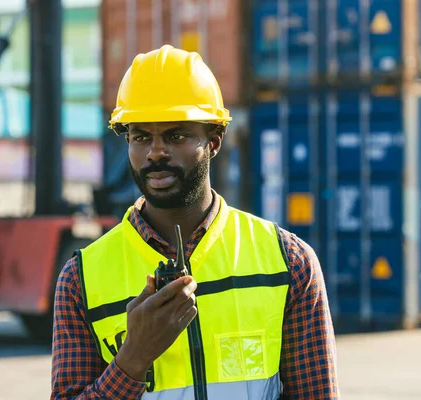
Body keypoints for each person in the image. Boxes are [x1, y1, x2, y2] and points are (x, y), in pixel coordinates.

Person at [50, 45, 339, 399]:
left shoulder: (288, 262)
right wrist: (133, 359)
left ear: (214, 141)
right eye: (141, 136)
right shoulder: (81, 280)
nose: (156, 152)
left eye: (177, 135)